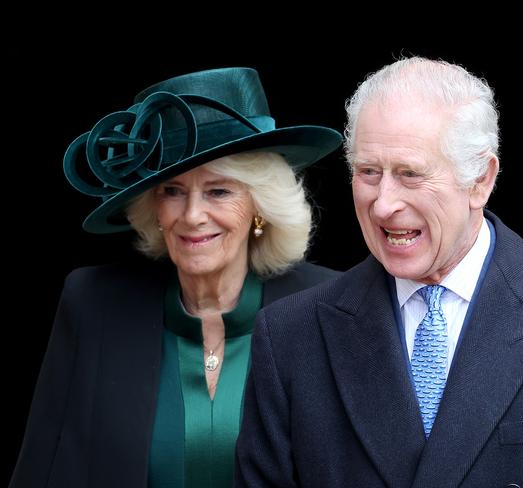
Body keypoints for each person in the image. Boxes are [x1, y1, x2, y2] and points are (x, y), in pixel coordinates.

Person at [234, 57, 523, 487]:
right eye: (368, 172)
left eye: (410, 174)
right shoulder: (289, 334)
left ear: (480, 181)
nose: (383, 204)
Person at [10, 67, 342, 487]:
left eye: (219, 191)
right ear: (153, 208)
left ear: (260, 205)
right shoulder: (94, 304)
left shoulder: (327, 307)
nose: (192, 216)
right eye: (172, 191)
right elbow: (44, 470)